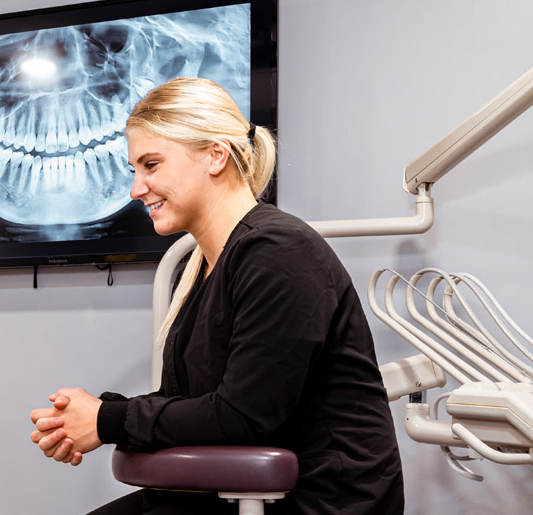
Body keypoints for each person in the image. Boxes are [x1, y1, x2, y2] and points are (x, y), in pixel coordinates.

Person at [28, 78, 405, 514]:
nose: (136, 189)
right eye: (135, 170)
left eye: (151, 165)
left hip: (318, 502)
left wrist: (106, 420)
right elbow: (197, 406)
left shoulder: (278, 252)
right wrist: (90, 416)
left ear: (215, 155)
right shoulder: (203, 267)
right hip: (236, 492)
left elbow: (243, 418)